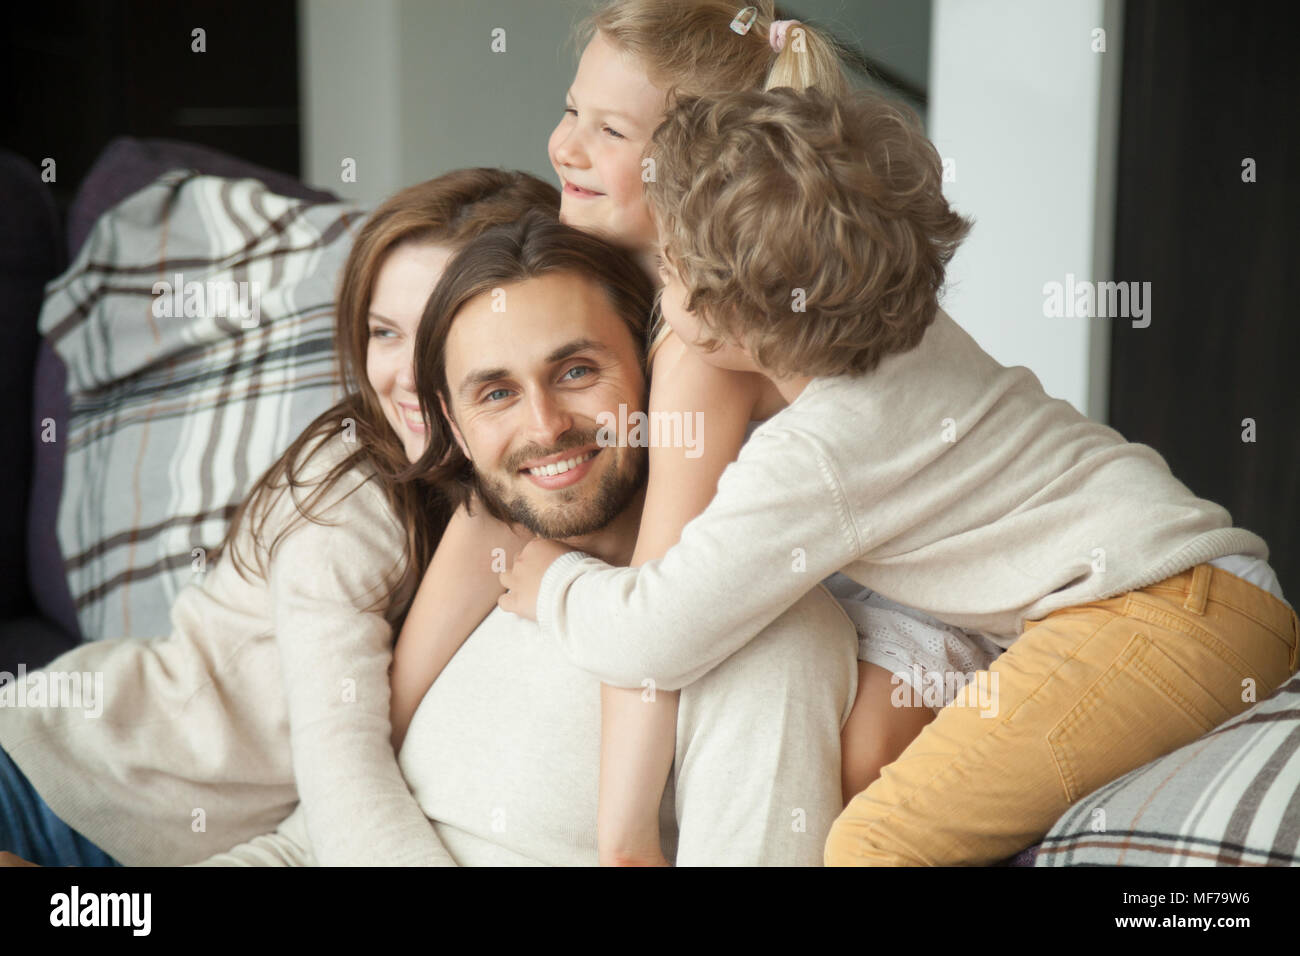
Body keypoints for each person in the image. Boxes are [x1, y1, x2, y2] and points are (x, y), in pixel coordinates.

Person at [498, 85, 1300, 866]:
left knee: (876, 844)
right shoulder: (896, 317)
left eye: (668, 270)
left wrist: (554, 584)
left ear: (727, 318)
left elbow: (659, 632)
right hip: (1197, 599)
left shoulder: (820, 452)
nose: (662, 290)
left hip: (1163, 619)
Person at [388, 0, 998, 868]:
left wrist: (625, 836)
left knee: (863, 763)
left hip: (918, 591)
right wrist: (386, 733)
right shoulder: (612, 275)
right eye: (571, 111)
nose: (564, 147)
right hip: (796, 557)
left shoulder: (705, 341)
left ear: (692, 168)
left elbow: (659, 610)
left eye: (608, 130)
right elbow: (497, 509)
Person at [200, 213, 858, 866]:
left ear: (652, 374)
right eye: (495, 393)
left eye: (575, 371)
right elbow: (308, 836)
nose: (545, 427)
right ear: (455, 430)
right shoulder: (486, 556)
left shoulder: (763, 631)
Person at [0, 169, 559, 867]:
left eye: (439, 334)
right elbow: (342, 772)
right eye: (384, 332)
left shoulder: (523, 489)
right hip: (64, 784)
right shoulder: (347, 500)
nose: (405, 375)